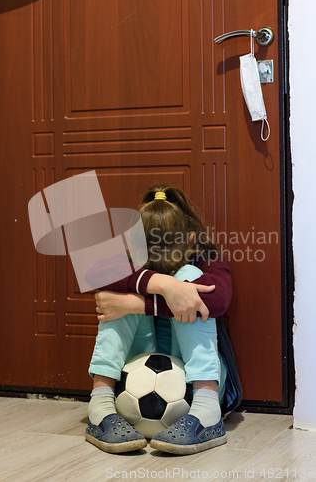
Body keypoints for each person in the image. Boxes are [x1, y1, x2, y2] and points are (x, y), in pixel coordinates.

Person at [84, 184, 241, 455]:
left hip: (195, 383)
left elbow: (217, 300)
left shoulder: (206, 261)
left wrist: (136, 304)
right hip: (134, 379)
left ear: (191, 241)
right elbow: (92, 273)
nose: (157, 261)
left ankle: (207, 412)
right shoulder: (126, 261)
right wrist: (160, 284)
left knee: (188, 278)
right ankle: (100, 404)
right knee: (114, 287)